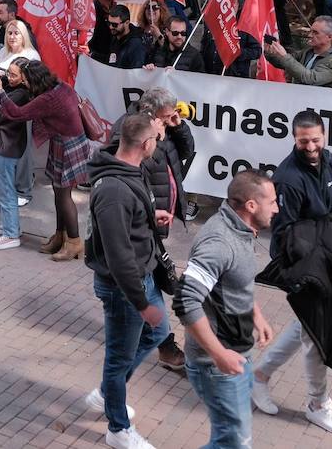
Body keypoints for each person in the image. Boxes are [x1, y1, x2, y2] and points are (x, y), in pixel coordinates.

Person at [251, 111, 332, 439]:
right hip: (300, 263)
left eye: (315, 139)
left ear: (324, 136)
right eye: (304, 141)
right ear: (294, 138)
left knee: (305, 325)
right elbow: (285, 233)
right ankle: (318, 403)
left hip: (326, 254)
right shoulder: (287, 177)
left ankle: (259, 375)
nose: (311, 146)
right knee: (316, 332)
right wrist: (325, 235)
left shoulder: (329, 161)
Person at [82, 112, 171, 449]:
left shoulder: (130, 170)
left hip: (142, 278)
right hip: (126, 288)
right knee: (118, 359)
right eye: (156, 140)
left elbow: (128, 224)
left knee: (158, 334)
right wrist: (141, 302)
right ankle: (117, 428)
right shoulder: (115, 191)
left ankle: (107, 392)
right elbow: (119, 257)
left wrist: (151, 216)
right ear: (146, 144)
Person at [175, 170, 278, 449]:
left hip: (237, 357)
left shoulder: (240, 229)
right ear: (251, 206)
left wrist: (256, 314)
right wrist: (219, 355)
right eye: (272, 202)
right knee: (234, 443)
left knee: (229, 440)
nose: (277, 208)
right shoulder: (220, 243)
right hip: (217, 367)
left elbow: (232, 281)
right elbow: (185, 299)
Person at [0, 60, 93, 261]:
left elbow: (17, 113)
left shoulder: (48, 99)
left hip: (68, 146)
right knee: (59, 193)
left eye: (27, 82)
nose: (26, 85)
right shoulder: (60, 86)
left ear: (34, 80)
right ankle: (60, 236)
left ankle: (74, 242)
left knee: (64, 195)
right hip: (67, 141)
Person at [132, 88, 198, 373]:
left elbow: (187, 152)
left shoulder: (164, 128)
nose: (172, 118)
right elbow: (131, 166)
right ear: (149, 113)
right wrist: (153, 139)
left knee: (146, 279)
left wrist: (177, 126)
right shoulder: (134, 129)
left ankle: (145, 330)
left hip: (160, 217)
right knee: (149, 279)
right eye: (167, 115)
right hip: (143, 221)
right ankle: (164, 343)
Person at [0, 59, 33, 251]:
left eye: (13, 75)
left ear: (24, 78)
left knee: (5, 189)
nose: (9, 77)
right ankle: (9, 224)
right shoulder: (13, 90)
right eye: (8, 73)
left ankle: (11, 233)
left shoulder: (21, 94)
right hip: (2, 143)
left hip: (9, 146)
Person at [263, 16, 332, 88]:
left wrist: (285, 56)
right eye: (310, 31)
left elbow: (311, 78)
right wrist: (270, 53)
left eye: (315, 33)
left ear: (329, 37)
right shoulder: (309, 50)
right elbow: (285, 63)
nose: (310, 35)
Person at [107, 5, 149, 69]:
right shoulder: (115, 37)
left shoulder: (136, 44)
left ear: (127, 23)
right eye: (108, 23)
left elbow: (136, 71)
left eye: (114, 25)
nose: (110, 27)